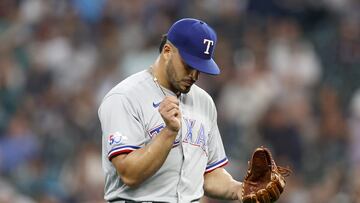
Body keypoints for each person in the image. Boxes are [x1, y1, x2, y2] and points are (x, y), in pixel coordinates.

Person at [98, 18, 243, 202]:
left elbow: (208, 174)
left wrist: (240, 189)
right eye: (189, 65)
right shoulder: (125, 97)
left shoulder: (204, 101)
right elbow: (129, 174)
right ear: (167, 51)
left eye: (200, 68)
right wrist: (169, 132)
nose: (194, 75)